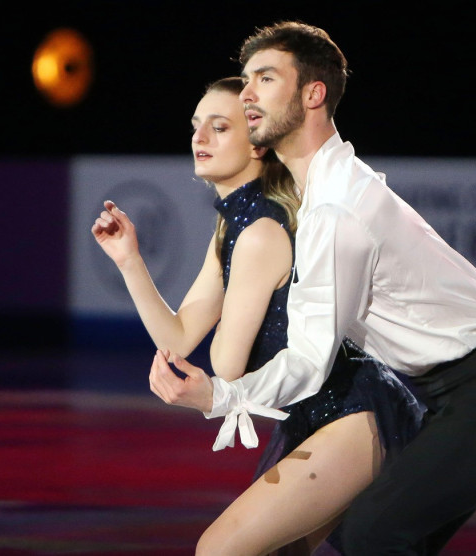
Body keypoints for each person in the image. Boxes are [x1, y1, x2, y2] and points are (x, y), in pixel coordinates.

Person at [148, 21, 476, 555]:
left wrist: (220, 396)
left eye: (266, 78)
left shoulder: (338, 208)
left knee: (374, 534)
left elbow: (309, 358)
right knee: (368, 537)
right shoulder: (326, 193)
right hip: (455, 394)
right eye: (247, 80)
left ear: (313, 94)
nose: (247, 93)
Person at [95, 76, 425, 555]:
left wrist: (207, 379)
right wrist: (129, 260)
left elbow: (227, 368)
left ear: (257, 146)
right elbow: (181, 336)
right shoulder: (233, 225)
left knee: (220, 549)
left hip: (354, 413)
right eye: (195, 126)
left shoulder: (260, 233)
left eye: (219, 127)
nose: (198, 138)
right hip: (316, 416)